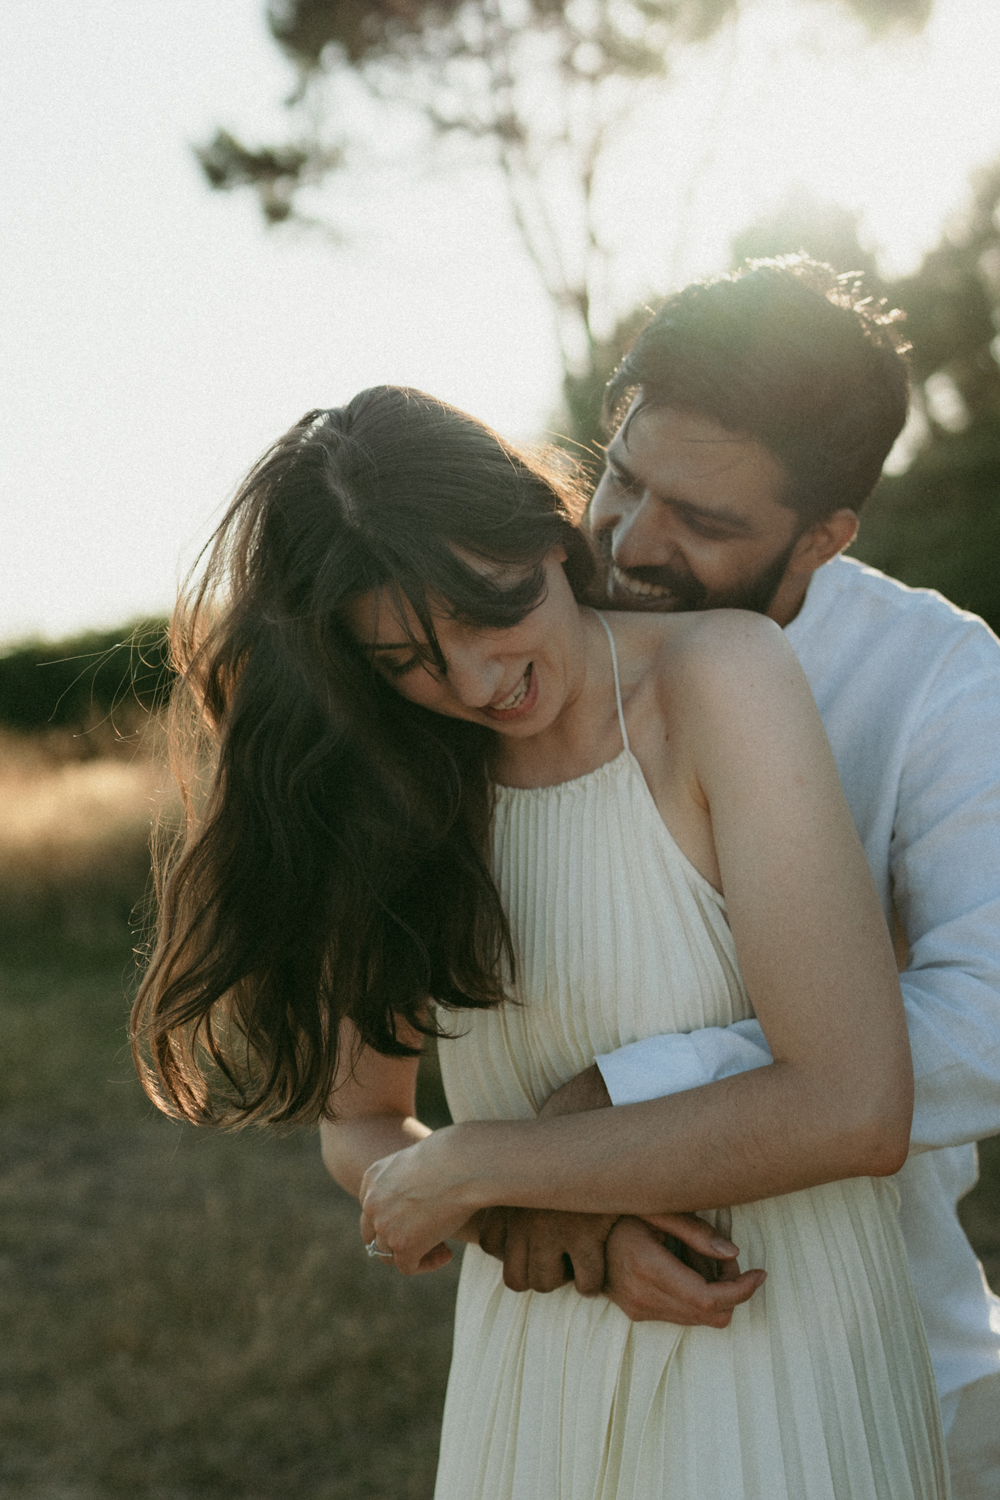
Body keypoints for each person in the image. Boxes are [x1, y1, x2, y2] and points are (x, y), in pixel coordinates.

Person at [133, 385, 948, 1498]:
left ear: (549, 535)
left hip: (779, 1334)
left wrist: (482, 1163)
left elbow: (854, 1106)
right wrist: (539, 1224)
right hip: (541, 1354)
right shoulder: (395, 778)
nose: (476, 682)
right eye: (405, 658)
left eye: (493, 610)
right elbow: (361, 1123)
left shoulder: (720, 678)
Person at [485, 259, 1000, 1498]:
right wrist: (541, 1188)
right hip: (561, 1337)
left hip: (876, 1353)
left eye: (704, 523)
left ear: (824, 537)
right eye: (623, 477)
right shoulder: (521, 640)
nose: (628, 542)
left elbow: (988, 1013)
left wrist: (628, 1106)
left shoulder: (939, 679)